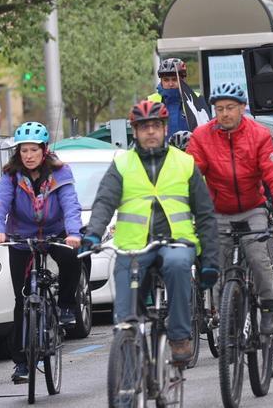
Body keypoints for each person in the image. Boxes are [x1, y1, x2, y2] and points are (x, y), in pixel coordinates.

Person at [83, 100, 219, 365]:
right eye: (144, 127)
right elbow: (104, 202)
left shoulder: (185, 163)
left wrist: (210, 260)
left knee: (178, 266)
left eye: (156, 126)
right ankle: (129, 375)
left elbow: (204, 214)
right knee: (126, 318)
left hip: (176, 243)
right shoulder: (122, 165)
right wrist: (93, 234)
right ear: (135, 131)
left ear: (165, 128)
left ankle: (180, 337)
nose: (151, 132)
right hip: (133, 247)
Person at [186, 83, 273, 335]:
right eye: (219, 109)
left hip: (251, 209)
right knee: (215, 265)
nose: (224, 114)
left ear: (242, 108)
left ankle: (269, 307)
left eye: (230, 108)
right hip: (218, 211)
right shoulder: (202, 137)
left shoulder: (258, 134)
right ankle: (220, 312)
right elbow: (189, 178)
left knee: (258, 257)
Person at [0, 122, 83, 383]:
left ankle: (65, 306)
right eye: (23, 150)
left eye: (33, 150)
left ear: (44, 150)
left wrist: (73, 233)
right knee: (22, 300)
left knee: (71, 258)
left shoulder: (60, 173)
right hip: (21, 237)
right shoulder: (10, 176)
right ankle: (21, 364)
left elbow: (70, 205)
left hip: (56, 231)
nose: (28, 155)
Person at [148, 58, 210, 136]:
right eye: (166, 80)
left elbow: (206, 128)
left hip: (190, 147)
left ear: (183, 79)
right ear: (161, 81)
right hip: (162, 148)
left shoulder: (196, 98)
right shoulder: (150, 101)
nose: (170, 84)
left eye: (174, 79)